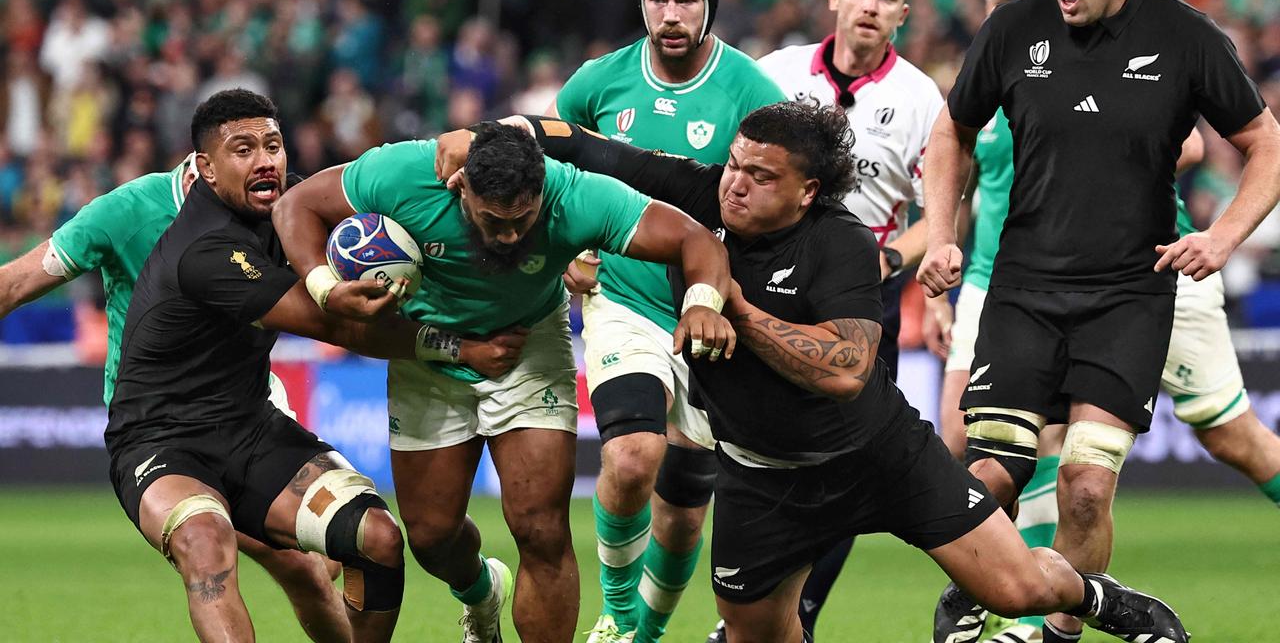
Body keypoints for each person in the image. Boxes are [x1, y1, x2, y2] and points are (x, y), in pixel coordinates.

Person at [436, 104, 1190, 643]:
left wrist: (736, 309)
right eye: (734, 164)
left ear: (805, 191)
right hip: (762, 479)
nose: (735, 183)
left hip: (879, 458)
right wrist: (487, 135)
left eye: (759, 175)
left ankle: (1101, 599)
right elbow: (585, 144)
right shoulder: (703, 193)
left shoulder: (843, 244)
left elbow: (845, 369)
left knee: (1018, 587)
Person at [918, 0, 1280, 642]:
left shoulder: (1185, 36)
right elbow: (951, 132)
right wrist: (940, 235)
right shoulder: (1013, 29)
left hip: (1128, 296)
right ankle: (974, 591)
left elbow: (1264, 142)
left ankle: (1060, 631)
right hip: (1025, 289)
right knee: (990, 476)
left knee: (1086, 489)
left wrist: (1223, 236)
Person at [272, 122, 734, 643]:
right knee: (431, 538)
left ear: (541, 190)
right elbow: (295, 206)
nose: (510, 235)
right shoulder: (404, 174)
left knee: (542, 531)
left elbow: (696, 239)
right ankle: (482, 591)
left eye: (523, 219)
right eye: (494, 221)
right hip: (427, 351)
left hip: (528, 349)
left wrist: (702, 302)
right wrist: (325, 287)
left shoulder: (573, 194)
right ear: (460, 185)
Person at [105, 89, 439, 642]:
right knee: (207, 544)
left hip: (251, 429)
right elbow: (337, 326)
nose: (265, 160)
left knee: (378, 537)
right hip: (160, 442)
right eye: (243, 150)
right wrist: (452, 346)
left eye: (274, 145)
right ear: (206, 169)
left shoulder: (287, 212)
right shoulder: (206, 249)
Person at [0, 154, 356, 642]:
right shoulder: (126, 212)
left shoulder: (275, 204)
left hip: (247, 411)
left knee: (308, 570)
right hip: (158, 425)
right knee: (207, 546)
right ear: (205, 168)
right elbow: (15, 282)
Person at [549, 0, 784, 643]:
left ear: (710, 4)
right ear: (641, 2)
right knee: (629, 456)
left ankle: (644, 634)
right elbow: (557, 174)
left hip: (713, 313)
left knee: (684, 510)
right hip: (624, 299)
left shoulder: (751, 91)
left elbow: (774, 199)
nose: (671, 13)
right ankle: (617, 613)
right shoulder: (597, 83)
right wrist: (567, 252)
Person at [748, 0, 943, 638]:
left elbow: (945, 211)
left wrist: (892, 260)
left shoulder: (921, 98)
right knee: (740, 463)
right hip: (764, 290)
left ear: (903, 13)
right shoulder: (772, 74)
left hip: (858, 306)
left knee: (841, 475)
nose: (871, 7)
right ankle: (748, 615)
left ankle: (798, 614)